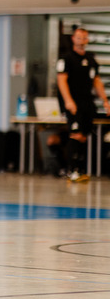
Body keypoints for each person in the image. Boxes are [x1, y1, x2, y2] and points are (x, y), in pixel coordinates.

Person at [56, 27, 110, 183]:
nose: (81, 40)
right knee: (75, 134)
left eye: (84, 37)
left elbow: (97, 81)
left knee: (84, 137)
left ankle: (79, 169)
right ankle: (71, 170)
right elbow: (61, 80)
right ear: (73, 39)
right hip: (74, 102)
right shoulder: (66, 58)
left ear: (87, 40)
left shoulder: (91, 59)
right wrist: (68, 100)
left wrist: (105, 100)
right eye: (78, 37)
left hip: (87, 102)